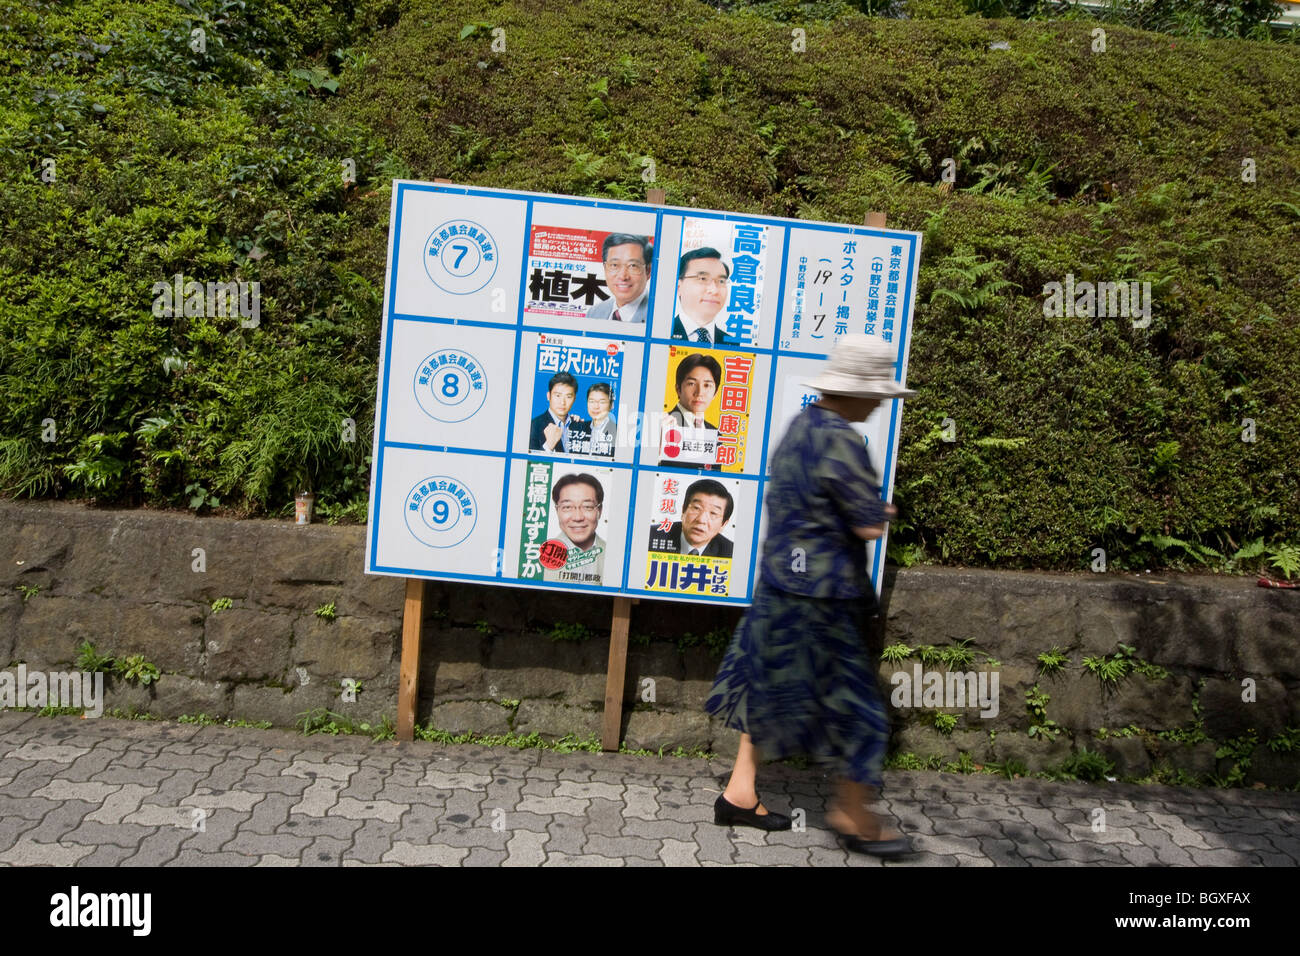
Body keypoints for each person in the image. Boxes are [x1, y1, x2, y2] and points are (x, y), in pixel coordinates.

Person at [704, 334, 916, 858]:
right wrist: (886, 511)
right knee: (860, 711)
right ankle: (853, 815)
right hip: (821, 601)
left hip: (778, 586)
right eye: (876, 393)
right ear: (856, 391)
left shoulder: (799, 427)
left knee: (765, 687)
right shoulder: (841, 439)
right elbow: (867, 524)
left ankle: (738, 792)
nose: (879, 402)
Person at [658, 353, 721, 469]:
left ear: (715, 393)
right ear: (678, 389)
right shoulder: (662, 425)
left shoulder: (716, 434)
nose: (699, 392)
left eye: (707, 385)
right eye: (691, 384)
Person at [543, 473, 606, 584]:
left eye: (587, 507)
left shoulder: (614, 556)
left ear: (599, 511)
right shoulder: (538, 558)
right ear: (557, 511)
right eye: (567, 507)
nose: (578, 517)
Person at [648, 478, 734, 557]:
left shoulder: (730, 553)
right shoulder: (650, 537)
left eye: (713, 513)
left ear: (723, 524)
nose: (701, 520)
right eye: (696, 508)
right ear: (683, 510)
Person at [670, 248, 734, 345]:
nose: (714, 290)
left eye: (721, 281)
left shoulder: (733, 345)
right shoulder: (661, 333)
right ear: (679, 287)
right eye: (703, 279)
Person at [586, 234, 651, 323]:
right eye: (614, 265)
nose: (623, 276)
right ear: (605, 268)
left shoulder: (658, 316)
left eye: (633, 266)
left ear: (648, 271)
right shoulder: (594, 313)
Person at [529, 372, 580, 452]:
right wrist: (548, 445)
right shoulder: (534, 426)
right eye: (558, 395)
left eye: (568, 397)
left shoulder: (578, 424)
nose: (562, 402)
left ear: (574, 399)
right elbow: (529, 462)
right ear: (548, 396)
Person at [568, 383, 616, 457]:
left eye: (602, 402)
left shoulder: (618, 432)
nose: (596, 406)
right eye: (592, 401)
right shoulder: (578, 428)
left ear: (611, 405)